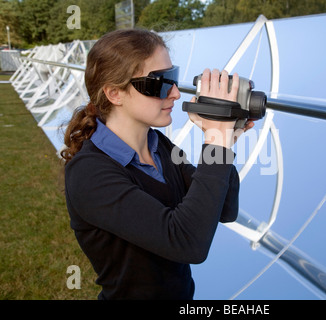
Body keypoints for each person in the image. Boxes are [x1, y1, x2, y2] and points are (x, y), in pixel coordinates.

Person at [61, 29, 254, 300]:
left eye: (173, 78)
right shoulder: (89, 173)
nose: (175, 93)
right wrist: (216, 141)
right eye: (160, 82)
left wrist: (226, 139)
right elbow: (188, 242)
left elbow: (224, 209)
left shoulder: (159, 146)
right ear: (115, 93)